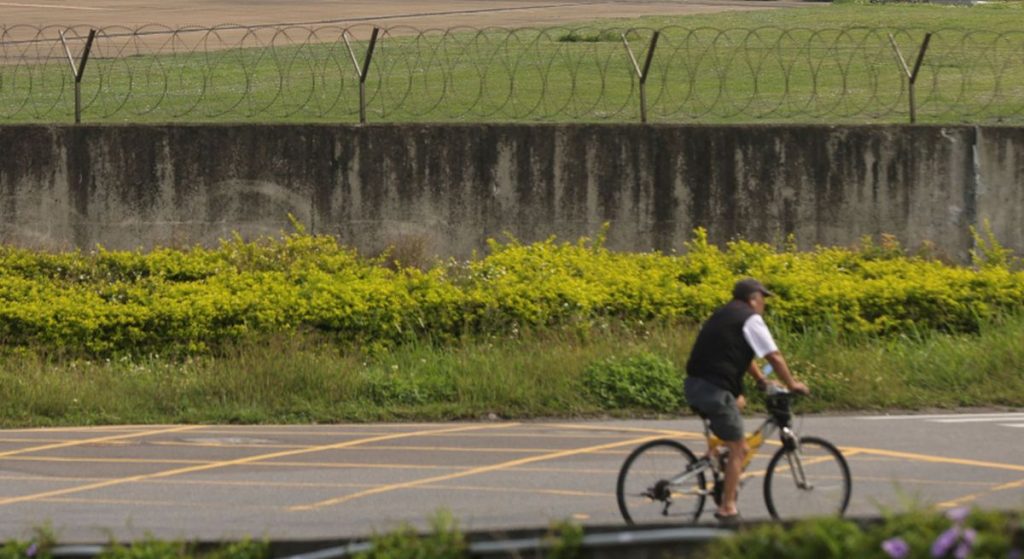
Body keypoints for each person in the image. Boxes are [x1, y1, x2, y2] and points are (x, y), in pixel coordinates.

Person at [684, 278, 809, 522]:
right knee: (740, 448)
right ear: (753, 299)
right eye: (762, 299)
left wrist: (762, 380)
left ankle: (718, 457)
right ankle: (727, 507)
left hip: (697, 385)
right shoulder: (750, 318)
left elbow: (743, 353)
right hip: (713, 390)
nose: (764, 304)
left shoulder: (724, 314)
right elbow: (774, 355)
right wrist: (792, 384)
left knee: (738, 404)